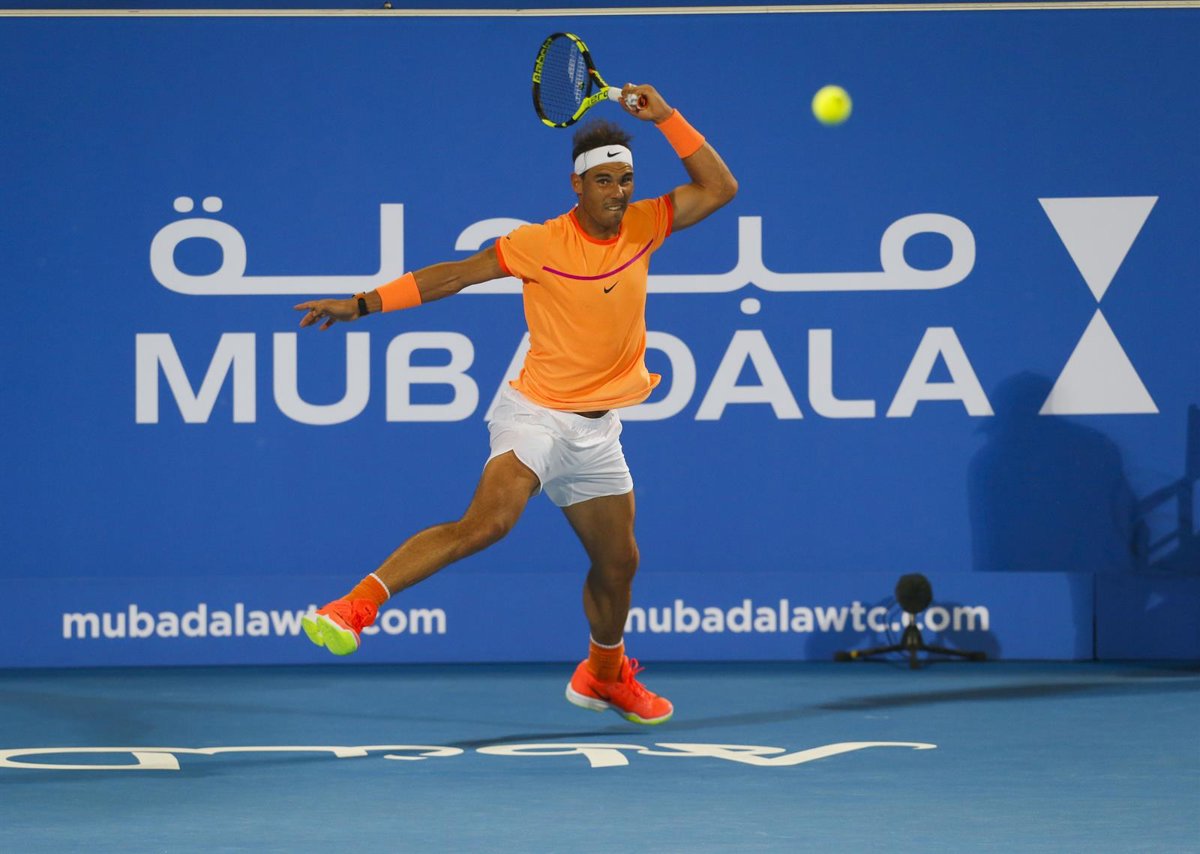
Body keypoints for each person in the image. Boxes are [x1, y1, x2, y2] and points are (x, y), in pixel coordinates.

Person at [294, 83, 737, 725]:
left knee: (619, 563)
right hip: (536, 414)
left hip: (597, 430)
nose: (618, 193)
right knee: (488, 524)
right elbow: (453, 275)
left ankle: (604, 675)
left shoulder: (647, 224)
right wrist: (363, 304)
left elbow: (720, 188)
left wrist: (667, 116)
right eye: (605, 181)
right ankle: (353, 607)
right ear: (577, 186)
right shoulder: (539, 242)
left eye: (626, 180)